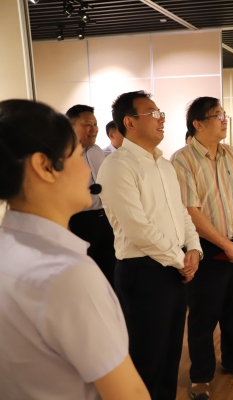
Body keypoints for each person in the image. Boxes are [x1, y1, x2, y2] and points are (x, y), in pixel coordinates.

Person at [0, 99, 150, 400]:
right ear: (45, 166)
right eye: (77, 155)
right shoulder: (68, 275)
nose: (87, 171)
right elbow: (129, 393)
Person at [97, 91, 202, 400]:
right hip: (142, 272)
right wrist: (180, 260)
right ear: (129, 122)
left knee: (170, 354)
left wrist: (193, 248)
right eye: (153, 113)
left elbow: (181, 212)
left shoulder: (164, 165)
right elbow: (138, 229)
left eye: (161, 113)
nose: (161, 119)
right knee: (146, 359)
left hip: (173, 268)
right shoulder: (117, 166)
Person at [171, 97, 233, 400]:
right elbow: (190, 212)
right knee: (203, 315)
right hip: (206, 250)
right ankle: (200, 375)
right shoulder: (182, 160)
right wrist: (225, 245)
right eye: (217, 115)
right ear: (198, 123)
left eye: (224, 114)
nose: (224, 120)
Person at [66, 105, 116, 287]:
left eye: (95, 124)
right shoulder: (63, 155)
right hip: (79, 221)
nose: (93, 128)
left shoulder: (96, 151)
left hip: (105, 219)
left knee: (110, 274)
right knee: (84, 276)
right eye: (87, 124)